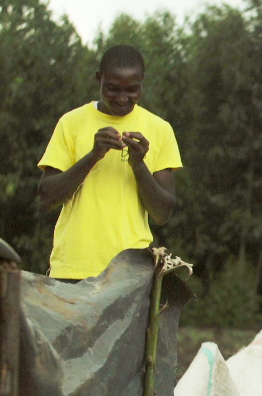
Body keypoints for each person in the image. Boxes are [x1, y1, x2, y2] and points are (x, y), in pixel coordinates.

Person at [37, 44, 181, 280]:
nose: (123, 98)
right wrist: (93, 155)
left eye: (133, 90)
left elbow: (163, 213)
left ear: (142, 82)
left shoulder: (160, 129)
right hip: (73, 269)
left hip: (130, 276)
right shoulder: (71, 123)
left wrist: (138, 164)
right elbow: (46, 198)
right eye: (112, 89)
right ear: (98, 79)